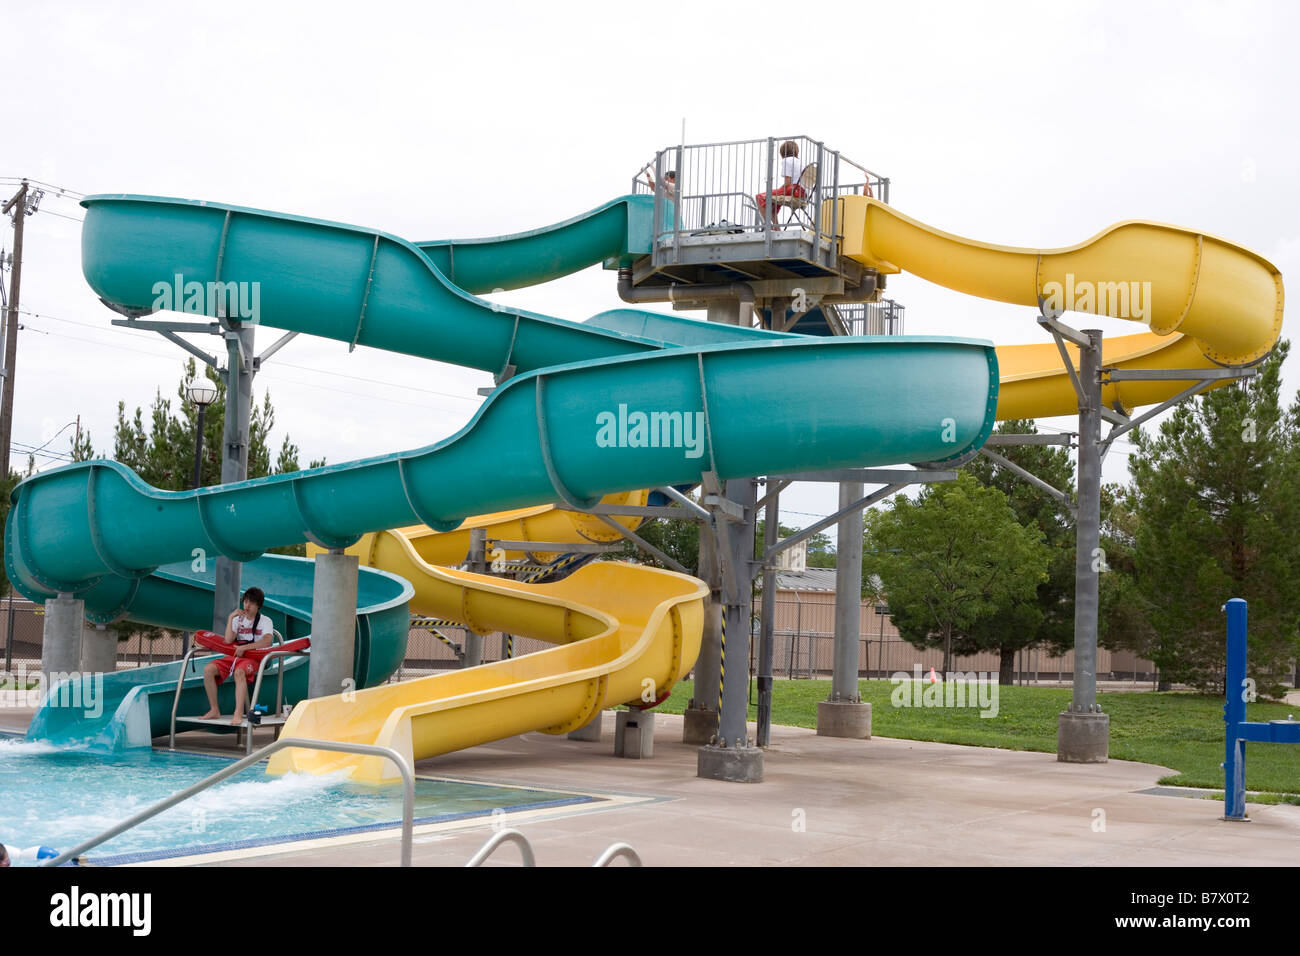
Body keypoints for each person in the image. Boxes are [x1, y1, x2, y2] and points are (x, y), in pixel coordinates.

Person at [200, 587, 274, 725]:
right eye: (245, 602)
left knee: (239, 672)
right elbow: (228, 640)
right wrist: (230, 618)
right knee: (208, 669)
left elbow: (267, 641)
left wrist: (245, 647)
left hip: (255, 658)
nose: (247, 605)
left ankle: (238, 713)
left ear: (258, 605)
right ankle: (214, 709)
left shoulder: (266, 621)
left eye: (251, 602)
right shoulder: (238, 620)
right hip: (237, 656)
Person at [756, 140, 805, 226]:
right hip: (802, 192)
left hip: (793, 190)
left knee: (760, 197)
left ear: (783, 152)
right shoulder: (801, 163)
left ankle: (768, 226)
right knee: (775, 200)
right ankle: (776, 227)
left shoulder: (787, 161)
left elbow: (787, 182)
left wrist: (780, 189)